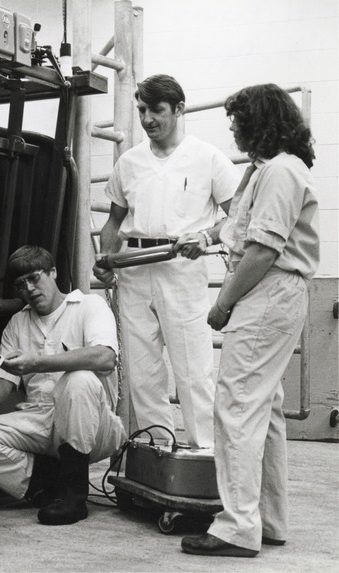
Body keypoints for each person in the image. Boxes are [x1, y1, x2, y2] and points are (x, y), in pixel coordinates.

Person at [182, 84, 319, 558]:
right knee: (266, 409)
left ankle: (236, 527)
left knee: (237, 405)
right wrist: (204, 238)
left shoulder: (280, 171)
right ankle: (267, 520)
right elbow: (241, 229)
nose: (233, 126)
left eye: (238, 118)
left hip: (269, 291)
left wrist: (222, 304)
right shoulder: (267, 170)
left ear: (260, 121)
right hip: (274, 293)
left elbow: (263, 249)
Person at [93, 74, 240, 448]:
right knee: (143, 374)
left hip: (182, 267)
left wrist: (206, 236)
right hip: (135, 268)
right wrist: (104, 257)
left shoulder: (207, 158)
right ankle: (156, 453)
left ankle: (206, 456)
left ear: (178, 109)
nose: (147, 119)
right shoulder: (130, 162)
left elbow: (238, 217)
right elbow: (113, 221)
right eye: (141, 110)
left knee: (193, 371)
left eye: (156, 110)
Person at [0, 245, 126, 526]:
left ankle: (74, 497)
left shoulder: (89, 305)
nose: (29, 289)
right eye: (20, 285)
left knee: (79, 379)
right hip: (39, 418)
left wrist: (37, 362)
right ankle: (46, 485)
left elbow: (105, 358)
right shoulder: (18, 322)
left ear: (53, 272)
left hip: (92, 423)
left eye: (35, 278)